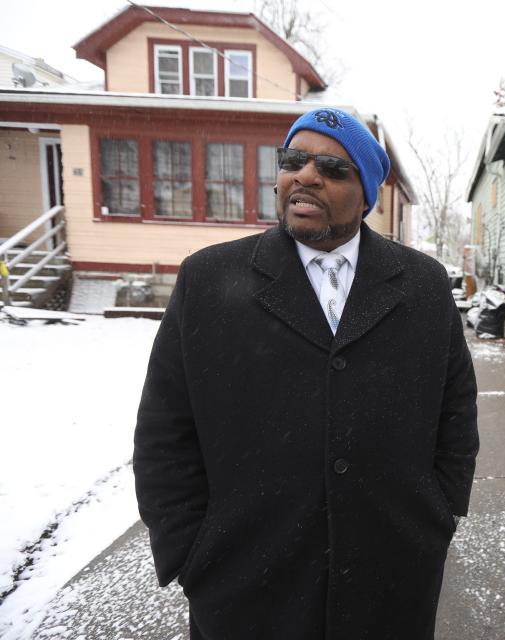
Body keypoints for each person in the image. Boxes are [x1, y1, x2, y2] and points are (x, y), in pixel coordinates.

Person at [133, 107, 479, 640]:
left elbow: (456, 419)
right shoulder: (207, 280)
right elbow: (164, 434)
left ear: (366, 195)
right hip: (244, 591)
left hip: (391, 582)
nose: (306, 176)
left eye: (333, 169)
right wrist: (190, 556)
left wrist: (436, 518)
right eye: (294, 160)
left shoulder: (424, 287)